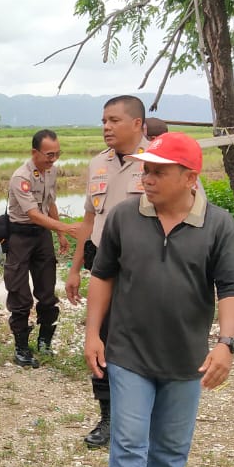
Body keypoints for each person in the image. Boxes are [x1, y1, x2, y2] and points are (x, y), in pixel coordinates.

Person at [83, 132, 234, 467]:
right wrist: (92, 334)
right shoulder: (123, 216)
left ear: (190, 177)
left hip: (186, 359)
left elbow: (230, 289)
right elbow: (103, 276)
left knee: (171, 448)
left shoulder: (218, 224)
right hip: (129, 353)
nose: (147, 178)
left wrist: (226, 343)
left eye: (158, 171)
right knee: (128, 445)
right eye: (146, 169)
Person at [66, 95, 151, 449]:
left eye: (114, 120)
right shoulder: (97, 164)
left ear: (137, 124)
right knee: (99, 338)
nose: (106, 127)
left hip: (144, 269)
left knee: (142, 342)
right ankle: (108, 416)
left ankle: (144, 416)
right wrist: (74, 269)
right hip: (103, 265)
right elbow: (90, 219)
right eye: (103, 121)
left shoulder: (158, 162)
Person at [2, 129, 83, 368]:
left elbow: (50, 204)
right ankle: (21, 347)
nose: (53, 159)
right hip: (20, 236)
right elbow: (34, 214)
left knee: (47, 291)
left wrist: (59, 234)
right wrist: (66, 227)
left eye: (57, 154)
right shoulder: (22, 177)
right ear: (34, 152)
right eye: (49, 154)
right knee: (19, 294)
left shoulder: (52, 171)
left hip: (43, 237)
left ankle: (45, 341)